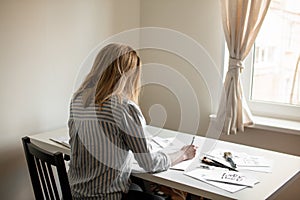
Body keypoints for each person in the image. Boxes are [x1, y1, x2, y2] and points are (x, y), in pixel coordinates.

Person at [67, 43, 197, 200]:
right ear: (127, 76)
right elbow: (149, 164)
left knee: (137, 187)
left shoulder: (78, 99)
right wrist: (182, 154)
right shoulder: (123, 108)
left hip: (76, 194)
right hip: (106, 197)